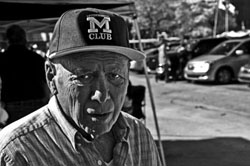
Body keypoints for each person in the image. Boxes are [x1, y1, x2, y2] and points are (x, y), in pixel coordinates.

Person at [0, 8, 163, 166]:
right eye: (84, 76)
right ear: (51, 76)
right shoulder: (15, 153)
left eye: (115, 76)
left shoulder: (139, 136)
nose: (102, 95)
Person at [0, 25, 50, 125]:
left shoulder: (2, 59)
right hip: (37, 104)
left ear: (8, 40)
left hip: (12, 106)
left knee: (15, 138)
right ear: (24, 39)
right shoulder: (36, 58)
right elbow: (47, 83)